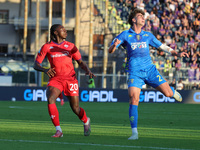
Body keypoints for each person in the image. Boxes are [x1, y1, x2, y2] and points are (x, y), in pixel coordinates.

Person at [108, 8, 189, 140]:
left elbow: (163, 47)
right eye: (140, 16)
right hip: (135, 73)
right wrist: (114, 45)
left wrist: (177, 53)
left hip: (150, 71)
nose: (143, 18)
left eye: (143, 16)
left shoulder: (148, 35)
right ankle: (134, 133)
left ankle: (172, 91)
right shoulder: (124, 35)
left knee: (168, 94)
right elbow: (110, 50)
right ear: (133, 19)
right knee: (133, 99)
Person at [33, 24, 95, 138]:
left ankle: (86, 120)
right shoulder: (47, 47)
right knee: (51, 98)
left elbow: (80, 62)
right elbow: (36, 64)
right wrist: (44, 69)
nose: (66, 32)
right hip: (56, 79)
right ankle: (58, 130)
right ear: (56, 33)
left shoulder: (71, 46)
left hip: (70, 79)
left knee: (75, 108)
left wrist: (87, 70)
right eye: (63, 30)